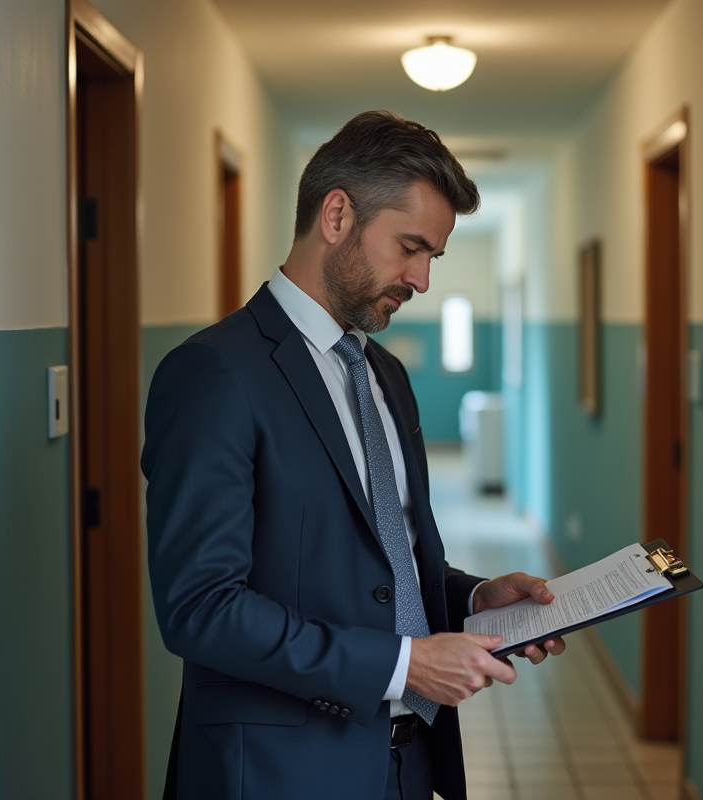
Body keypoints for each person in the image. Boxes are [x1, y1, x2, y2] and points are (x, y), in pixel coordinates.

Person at [142, 110, 565, 800]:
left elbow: (378, 559)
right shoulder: (216, 374)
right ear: (336, 215)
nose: (423, 279)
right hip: (281, 775)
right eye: (410, 247)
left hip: (408, 764)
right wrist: (403, 667)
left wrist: (473, 600)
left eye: (433, 256)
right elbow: (201, 607)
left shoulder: (386, 376)